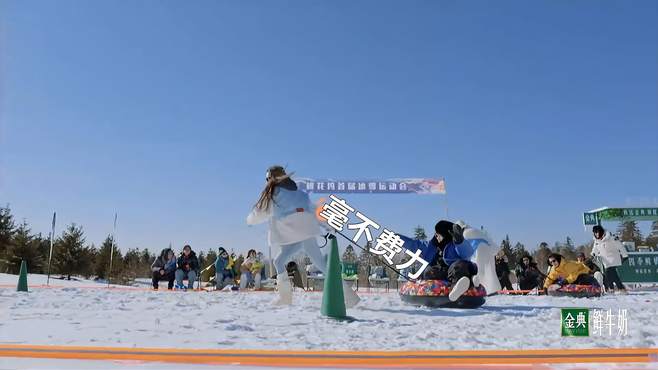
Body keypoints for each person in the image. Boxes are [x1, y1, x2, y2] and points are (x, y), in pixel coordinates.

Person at [246, 165, 360, 306]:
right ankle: (349, 296)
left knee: (281, 262)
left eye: (267, 178)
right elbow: (312, 210)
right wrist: (327, 225)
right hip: (306, 229)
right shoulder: (299, 192)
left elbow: (259, 213)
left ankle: (285, 298)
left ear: (271, 178)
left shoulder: (274, 194)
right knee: (285, 261)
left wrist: (249, 220)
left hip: (294, 232)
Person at [399, 220, 480, 301]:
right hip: (442, 274)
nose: (436, 236)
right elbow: (413, 244)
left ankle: (459, 287)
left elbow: (467, 253)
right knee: (429, 271)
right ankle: (470, 281)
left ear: (445, 235)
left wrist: (459, 241)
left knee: (458, 266)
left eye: (438, 234)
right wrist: (395, 237)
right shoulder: (431, 246)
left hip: (457, 272)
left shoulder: (456, 245)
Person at [591, 225, 629, 294]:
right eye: (595, 233)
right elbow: (595, 248)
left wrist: (624, 255)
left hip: (613, 257)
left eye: (597, 232)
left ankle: (610, 288)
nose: (596, 234)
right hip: (605, 260)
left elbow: (620, 246)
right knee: (613, 274)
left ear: (601, 231)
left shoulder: (610, 237)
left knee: (608, 272)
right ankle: (621, 289)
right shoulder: (597, 240)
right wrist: (593, 254)